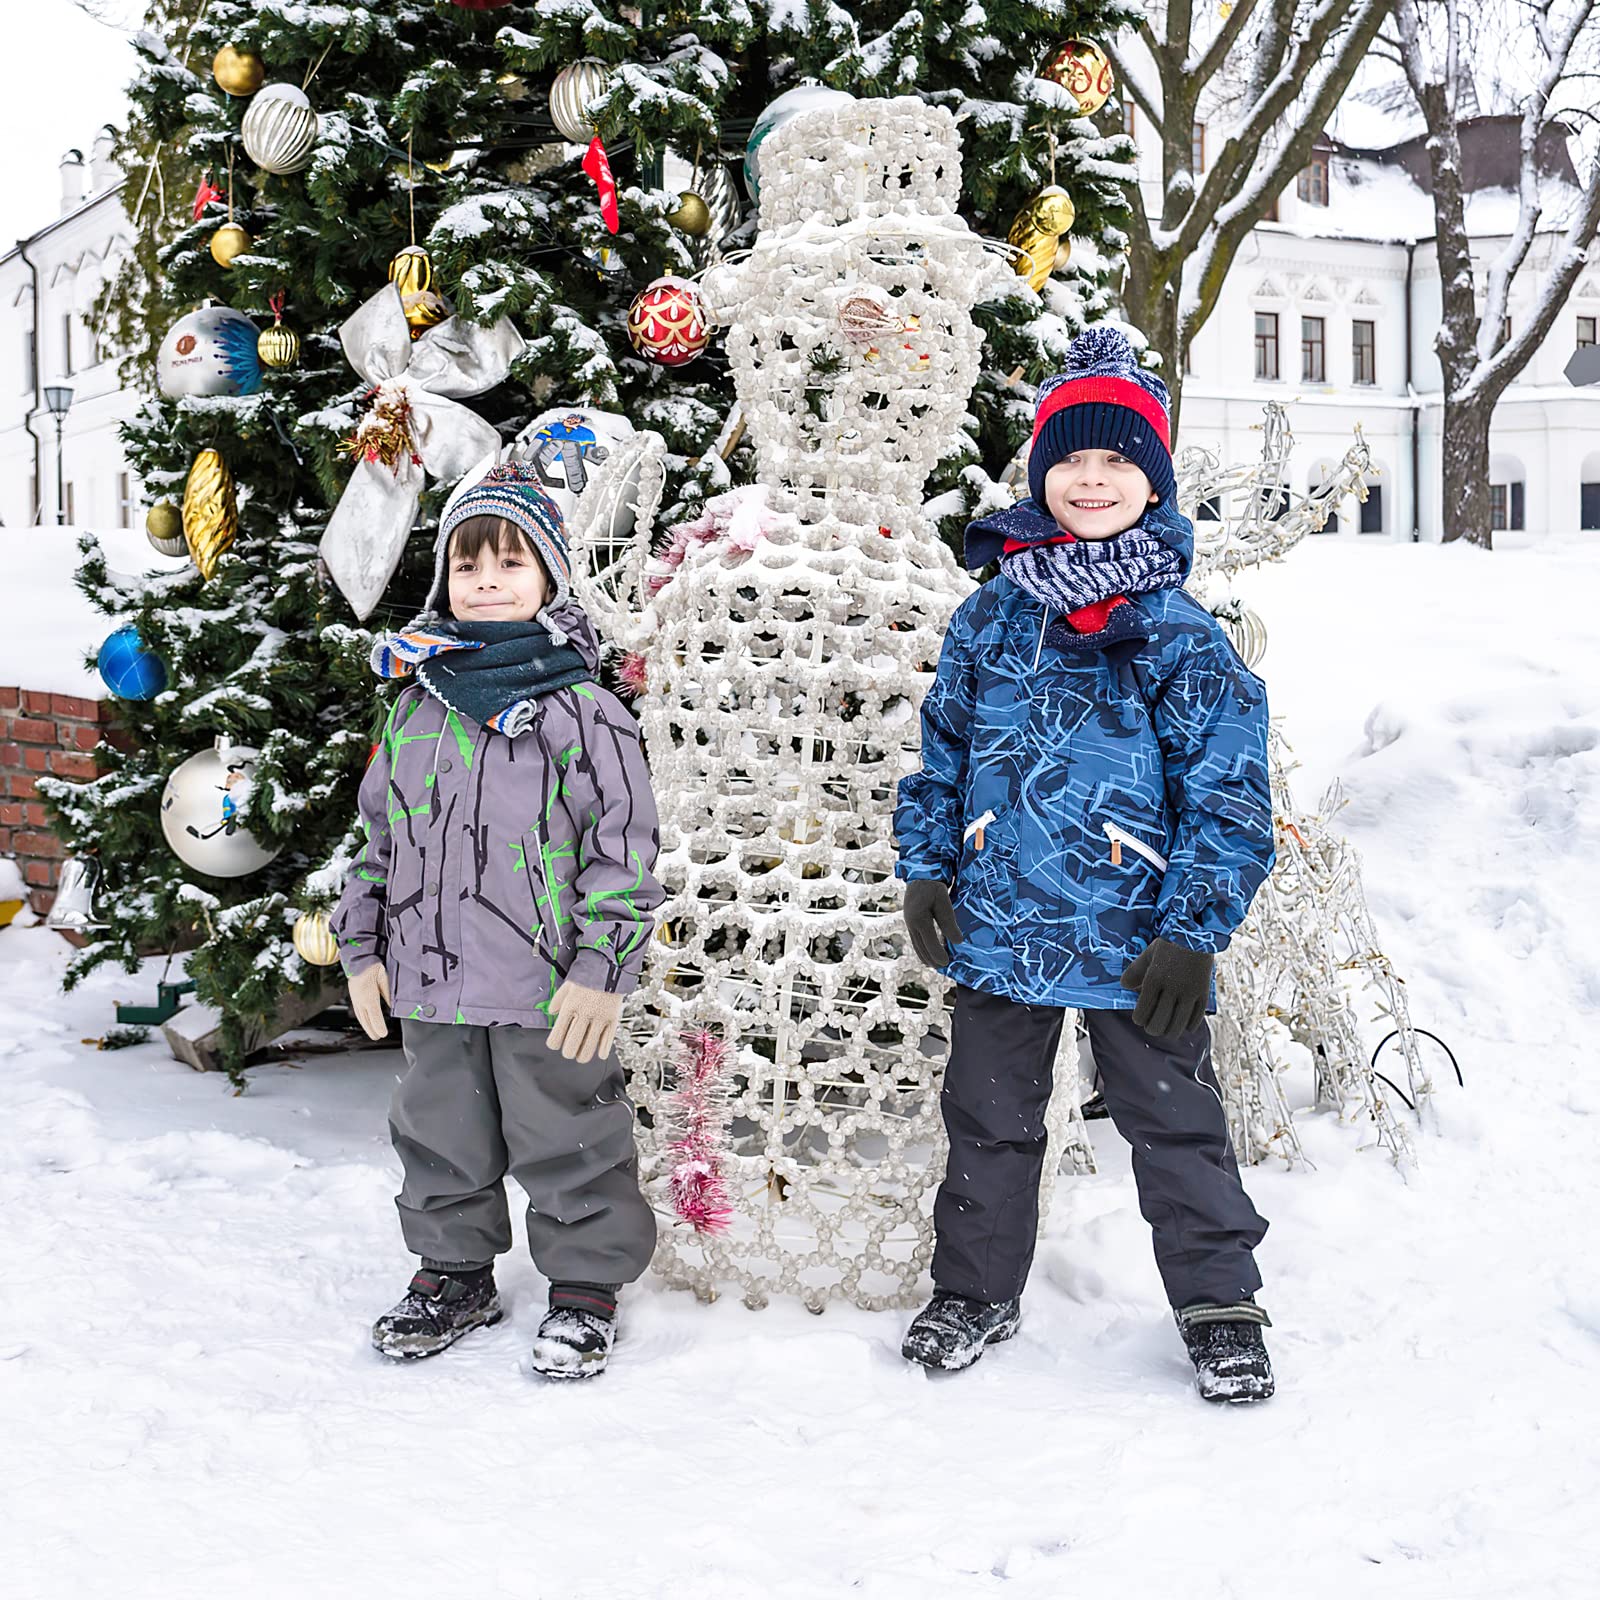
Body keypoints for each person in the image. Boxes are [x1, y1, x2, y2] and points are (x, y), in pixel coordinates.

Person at [894, 326, 1278, 1402]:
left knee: (1175, 1126)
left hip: (1137, 937)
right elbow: (943, 748)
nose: (1093, 477)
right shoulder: (990, 616)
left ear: (1150, 482)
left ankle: (1219, 1305)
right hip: (1004, 921)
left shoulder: (1177, 632)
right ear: (1041, 472)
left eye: (1118, 460)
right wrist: (929, 866)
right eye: (1073, 458)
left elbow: (1229, 791)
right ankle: (974, 1289)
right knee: (989, 1119)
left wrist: (1194, 928)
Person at [331, 462, 664, 1380]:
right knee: (440, 1129)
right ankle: (453, 1274)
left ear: (551, 578)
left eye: (511, 563)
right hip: (432, 976)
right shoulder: (416, 709)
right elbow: (377, 838)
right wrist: (361, 946)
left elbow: (623, 849)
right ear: (445, 584)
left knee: (571, 1134)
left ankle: (586, 1288)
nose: (488, 581)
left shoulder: (584, 711)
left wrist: (602, 966)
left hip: (547, 984)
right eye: (469, 566)